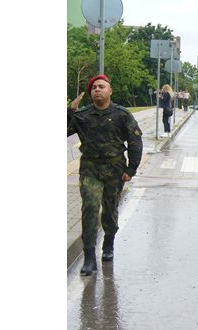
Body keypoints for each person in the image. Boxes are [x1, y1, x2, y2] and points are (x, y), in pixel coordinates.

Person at [67, 75, 143, 276]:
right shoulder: (82, 115)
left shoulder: (122, 115)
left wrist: (131, 170)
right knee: (90, 208)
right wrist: (69, 112)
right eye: (94, 88)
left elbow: (135, 142)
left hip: (114, 170)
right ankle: (89, 256)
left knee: (110, 211)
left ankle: (108, 242)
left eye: (102, 87)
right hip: (90, 169)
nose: (97, 90)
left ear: (110, 91)